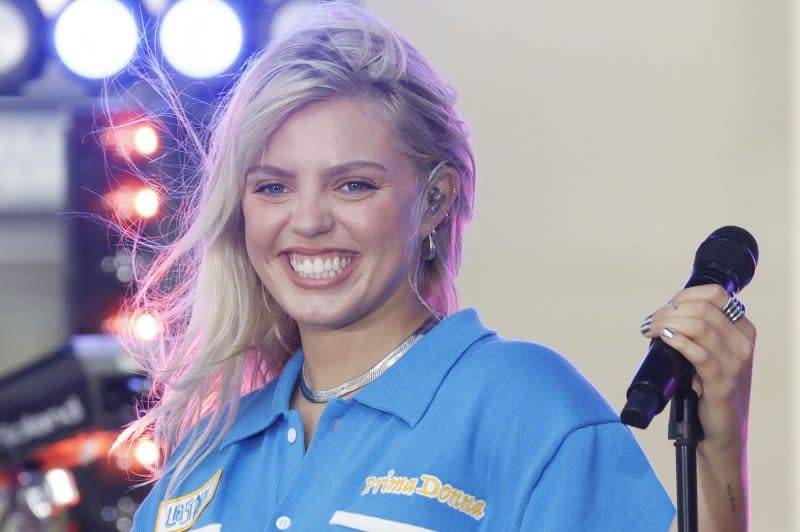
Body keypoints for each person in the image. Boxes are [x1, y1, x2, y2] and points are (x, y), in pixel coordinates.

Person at [124, 3, 755, 531]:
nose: (308, 221)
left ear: (435, 198)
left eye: (353, 185)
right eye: (272, 188)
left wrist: (720, 447)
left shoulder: (521, 404)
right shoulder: (209, 451)